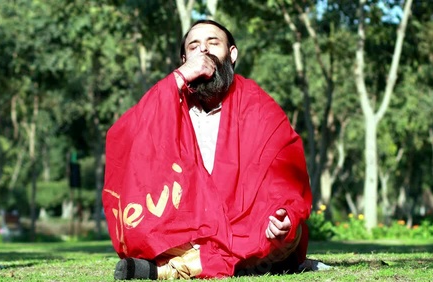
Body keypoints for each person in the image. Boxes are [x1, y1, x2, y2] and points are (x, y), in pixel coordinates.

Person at [102, 19, 312, 280]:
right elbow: (124, 134)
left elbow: (285, 169)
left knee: (282, 235)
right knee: (161, 233)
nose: (204, 51)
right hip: (189, 227)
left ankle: (165, 271)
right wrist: (178, 79)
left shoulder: (257, 104)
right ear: (184, 59)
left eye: (213, 44)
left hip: (241, 225)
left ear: (231, 54)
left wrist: (285, 218)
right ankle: (227, 263)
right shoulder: (166, 102)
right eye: (194, 46)